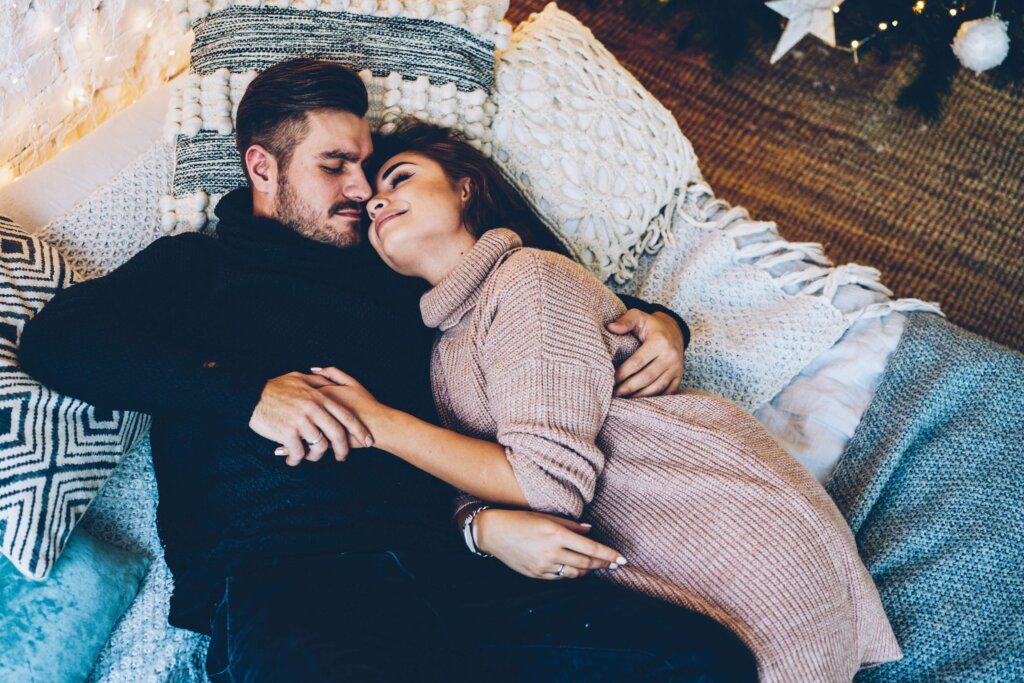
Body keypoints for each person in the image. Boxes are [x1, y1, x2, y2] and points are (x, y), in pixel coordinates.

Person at [17, 58, 757, 681]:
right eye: (334, 165)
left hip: (461, 563)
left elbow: (526, 286)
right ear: (262, 167)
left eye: (367, 168)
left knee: (706, 660)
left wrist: (663, 322)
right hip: (290, 580)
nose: (362, 190)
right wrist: (248, 396)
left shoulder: (396, 266)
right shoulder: (198, 267)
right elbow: (57, 342)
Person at [288, 121, 903, 682]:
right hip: (671, 554)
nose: (375, 200)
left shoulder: (526, 278)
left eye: (400, 178)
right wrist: (475, 526)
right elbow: (492, 476)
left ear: (466, 189)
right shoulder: (447, 343)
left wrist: (377, 424)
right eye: (370, 204)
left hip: (733, 535)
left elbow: (544, 488)